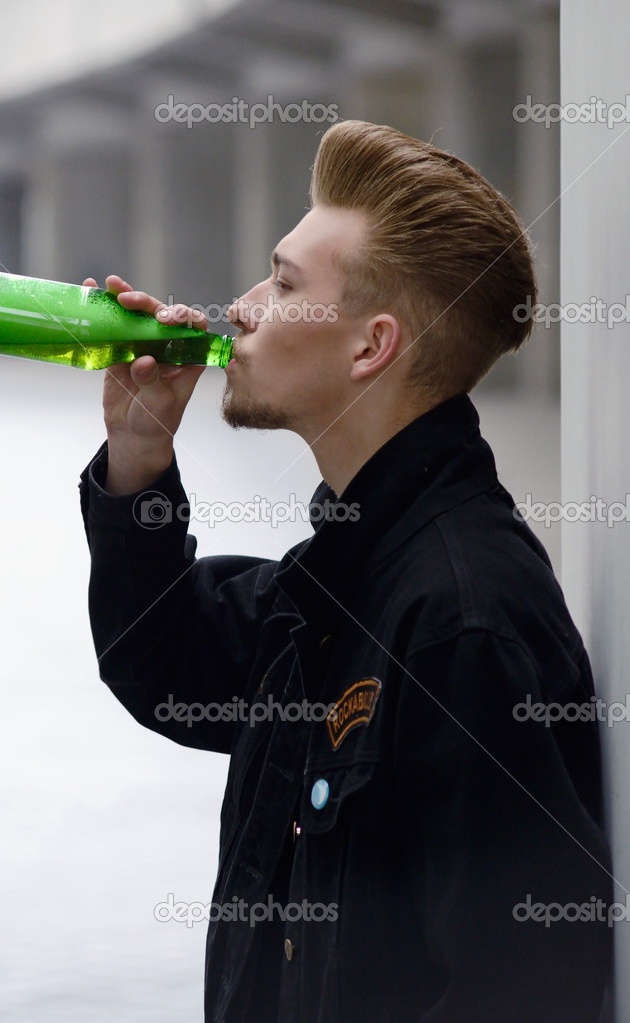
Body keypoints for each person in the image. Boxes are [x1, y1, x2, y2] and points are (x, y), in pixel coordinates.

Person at [78, 120, 613, 1022]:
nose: (241, 304)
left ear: (370, 346)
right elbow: (164, 666)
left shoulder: (459, 618)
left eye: (282, 282)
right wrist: (138, 453)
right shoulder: (345, 575)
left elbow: (527, 985)